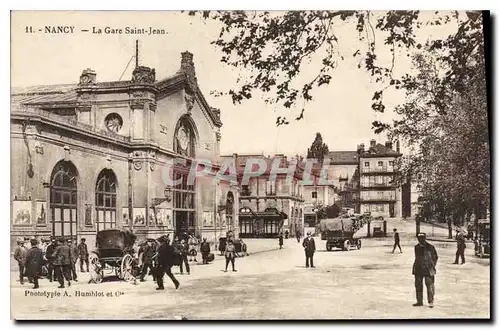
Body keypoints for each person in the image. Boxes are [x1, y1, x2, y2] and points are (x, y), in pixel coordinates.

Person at [412, 233, 439, 308]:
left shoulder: (430, 247)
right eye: (419, 238)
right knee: (418, 286)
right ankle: (419, 301)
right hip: (418, 269)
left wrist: (432, 265)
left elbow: (435, 257)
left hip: (428, 269)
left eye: (422, 238)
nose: (420, 239)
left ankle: (430, 302)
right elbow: (417, 258)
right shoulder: (416, 247)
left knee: (430, 286)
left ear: (424, 238)